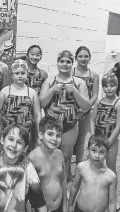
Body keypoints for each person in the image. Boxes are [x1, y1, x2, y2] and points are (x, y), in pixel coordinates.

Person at [39, 50, 89, 179]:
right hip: (51, 126)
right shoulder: (50, 81)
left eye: (68, 61)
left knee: (66, 156)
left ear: (72, 64)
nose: (65, 64)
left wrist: (75, 92)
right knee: (49, 154)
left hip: (70, 126)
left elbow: (86, 106)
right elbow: (42, 103)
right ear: (57, 63)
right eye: (62, 61)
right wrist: (52, 90)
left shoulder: (79, 83)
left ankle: (64, 183)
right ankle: (49, 181)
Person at [0, 123, 47, 212]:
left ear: (25, 148)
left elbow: (39, 201)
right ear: (2, 140)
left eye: (19, 142)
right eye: (10, 139)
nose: (14, 145)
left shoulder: (27, 167)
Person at [0, 59, 42, 158]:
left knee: (22, 156)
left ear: (27, 74)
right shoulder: (5, 91)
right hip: (8, 131)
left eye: (23, 73)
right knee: (8, 154)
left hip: (25, 132)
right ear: (12, 76)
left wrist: (39, 133)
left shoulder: (32, 93)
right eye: (17, 73)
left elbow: (37, 115)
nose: (20, 76)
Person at [68, 135, 117, 212]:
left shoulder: (111, 176)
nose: (97, 156)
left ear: (107, 153)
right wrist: (70, 205)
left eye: (101, 152)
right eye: (94, 151)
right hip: (80, 209)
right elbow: (75, 187)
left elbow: (112, 203)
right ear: (88, 150)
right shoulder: (81, 167)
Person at [29, 117, 68, 212]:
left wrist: (65, 206)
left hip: (58, 207)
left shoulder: (60, 154)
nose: (54, 139)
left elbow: (63, 180)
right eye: (50, 134)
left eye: (58, 136)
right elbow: (29, 190)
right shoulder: (32, 158)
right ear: (41, 134)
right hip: (40, 208)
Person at [73, 46, 99, 164]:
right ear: (76, 58)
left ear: (90, 58)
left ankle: (78, 167)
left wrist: (85, 109)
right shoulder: (70, 72)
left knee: (80, 141)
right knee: (67, 141)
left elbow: (95, 95)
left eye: (86, 56)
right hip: (70, 111)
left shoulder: (94, 75)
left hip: (85, 113)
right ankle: (66, 169)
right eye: (80, 56)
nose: (83, 59)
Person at [90, 72, 120, 173]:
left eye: (112, 85)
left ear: (117, 85)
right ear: (102, 87)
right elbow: (92, 120)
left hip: (111, 140)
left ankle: (112, 187)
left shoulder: (118, 103)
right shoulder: (99, 101)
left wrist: (108, 143)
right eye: (106, 86)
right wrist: (93, 137)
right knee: (94, 163)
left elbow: (118, 127)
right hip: (98, 138)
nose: (109, 88)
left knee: (110, 165)